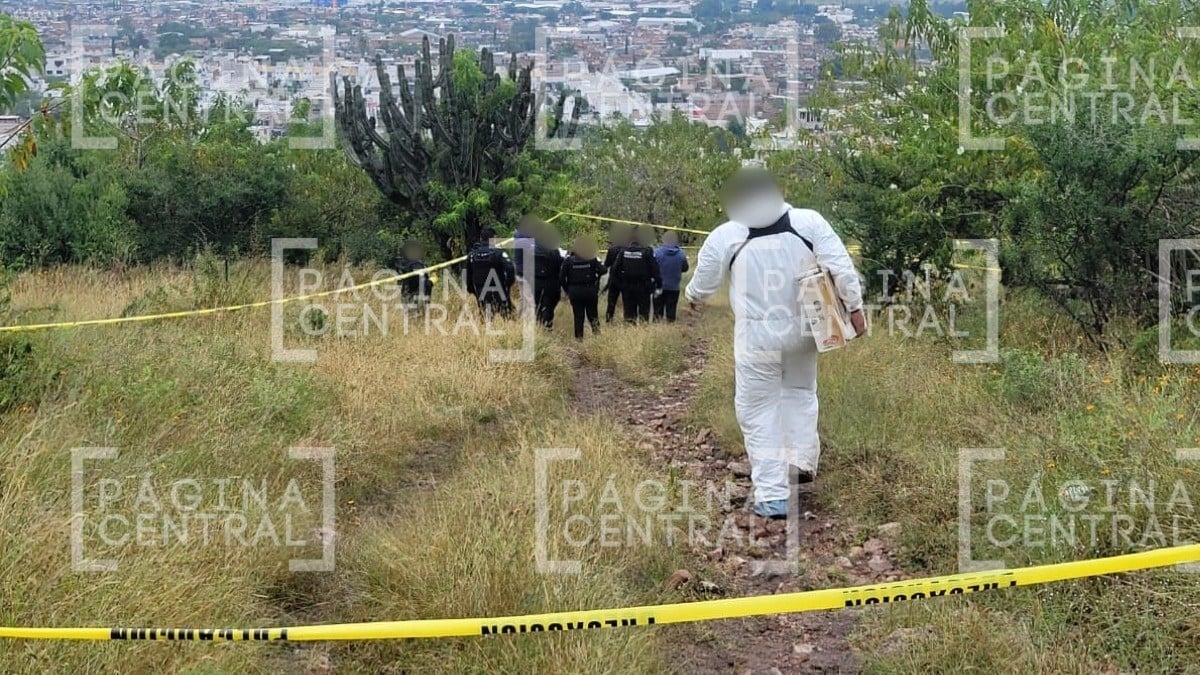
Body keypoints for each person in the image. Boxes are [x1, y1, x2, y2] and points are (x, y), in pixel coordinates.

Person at [684, 167, 866, 520]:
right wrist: (855, 309)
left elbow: (703, 283)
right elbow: (842, 268)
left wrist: (694, 297)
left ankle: (771, 495)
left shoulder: (727, 235)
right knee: (799, 393)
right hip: (806, 331)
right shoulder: (809, 221)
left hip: (756, 337)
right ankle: (798, 460)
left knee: (757, 409)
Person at [560, 235, 605, 340]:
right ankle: (597, 338)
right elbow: (603, 270)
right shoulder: (592, 258)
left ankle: (579, 339)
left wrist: (568, 290)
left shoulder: (568, 261)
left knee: (578, 316)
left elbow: (561, 278)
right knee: (593, 315)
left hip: (575, 291)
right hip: (590, 290)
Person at [465, 227, 516, 320]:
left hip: (481, 289)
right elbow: (510, 268)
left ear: (481, 239)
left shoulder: (472, 254)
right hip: (498, 288)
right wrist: (508, 283)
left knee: (486, 317)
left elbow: (468, 273)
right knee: (508, 316)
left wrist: (471, 288)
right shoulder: (498, 253)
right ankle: (511, 332)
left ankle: (486, 333)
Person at [613, 226, 661, 323]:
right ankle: (642, 334)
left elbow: (615, 269)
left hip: (627, 287)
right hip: (644, 287)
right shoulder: (647, 251)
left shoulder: (623, 251)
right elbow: (655, 270)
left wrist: (621, 283)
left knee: (629, 315)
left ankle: (630, 334)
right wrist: (658, 284)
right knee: (644, 314)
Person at [531, 219, 565, 330]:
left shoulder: (532, 249)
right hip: (552, 282)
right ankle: (547, 322)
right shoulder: (555, 250)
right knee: (550, 303)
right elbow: (560, 263)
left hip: (536, 281)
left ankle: (539, 322)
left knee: (537, 304)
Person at [653, 231, 689, 322]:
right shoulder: (681, 254)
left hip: (658, 286)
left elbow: (651, 268)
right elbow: (685, 268)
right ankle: (670, 325)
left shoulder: (656, 252)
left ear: (663, 240)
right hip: (674, 287)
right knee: (671, 311)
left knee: (657, 311)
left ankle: (656, 327)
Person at [602, 225, 633, 323]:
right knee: (627, 302)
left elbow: (606, 265)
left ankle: (608, 319)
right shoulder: (629, 249)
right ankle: (628, 320)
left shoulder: (612, 249)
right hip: (626, 279)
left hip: (613, 279)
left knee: (611, 301)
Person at [391, 239, 431, 304]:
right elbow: (400, 275)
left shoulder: (419, 262)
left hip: (418, 285)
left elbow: (426, 275)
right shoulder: (401, 261)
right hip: (409, 286)